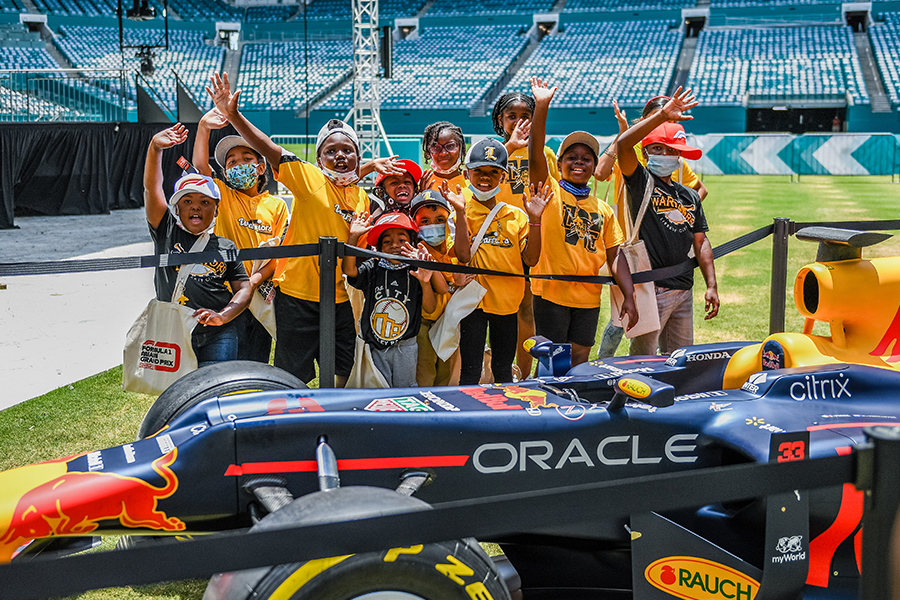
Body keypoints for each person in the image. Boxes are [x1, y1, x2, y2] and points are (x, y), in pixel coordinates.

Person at [207, 72, 368, 386]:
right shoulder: (308, 178)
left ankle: (329, 415)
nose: (340, 155)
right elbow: (267, 147)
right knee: (292, 374)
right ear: (318, 157)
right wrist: (234, 115)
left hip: (337, 297)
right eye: (330, 150)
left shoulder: (361, 196)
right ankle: (295, 420)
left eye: (347, 150)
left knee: (344, 366)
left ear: (357, 157)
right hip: (297, 296)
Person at [528, 77, 638, 366]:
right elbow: (535, 153)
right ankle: (549, 406)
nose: (579, 162)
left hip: (588, 298)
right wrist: (542, 106)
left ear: (594, 166)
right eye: (572, 157)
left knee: (580, 358)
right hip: (551, 294)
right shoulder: (549, 192)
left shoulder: (602, 209)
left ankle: (574, 408)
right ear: (560, 163)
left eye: (587, 158)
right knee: (552, 360)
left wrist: (630, 294)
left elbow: (615, 255)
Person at [596, 96, 708, 358]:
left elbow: (698, 190)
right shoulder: (635, 150)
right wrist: (622, 135)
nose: (664, 124)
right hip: (627, 242)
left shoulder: (668, 153)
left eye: (669, 119)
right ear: (644, 120)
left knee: (644, 315)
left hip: (656, 247)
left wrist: (676, 215)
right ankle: (604, 361)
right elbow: (601, 173)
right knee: (622, 316)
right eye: (659, 118)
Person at [143, 123, 253, 367]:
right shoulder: (165, 231)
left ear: (216, 208)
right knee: (174, 393)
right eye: (187, 200)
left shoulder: (225, 245)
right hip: (173, 330)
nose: (195, 206)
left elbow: (243, 288)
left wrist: (223, 317)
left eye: (205, 201)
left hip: (219, 333)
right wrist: (154, 149)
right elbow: (152, 190)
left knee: (215, 391)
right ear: (176, 207)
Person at [193, 107, 290, 364]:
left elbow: (277, 254)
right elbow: (201, 168)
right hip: (225, 293)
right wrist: (203, 128)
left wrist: (254, 281)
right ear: (225, 173)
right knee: (225, 361)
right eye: (231, 162)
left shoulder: (277, 205)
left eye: (246, 158)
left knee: (255, 362)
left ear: (260, 168)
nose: (239, 165)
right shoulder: (223, 195)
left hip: (260, 296)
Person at [459, 138, 551, 385]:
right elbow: (462, 256)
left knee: (503, 369)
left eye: (493, 172)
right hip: (473, 303)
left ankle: (503, 419)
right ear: (468, 173)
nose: (485, 178)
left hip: (507, 304)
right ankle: (466, 421)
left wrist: (535, 220)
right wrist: (458, 213)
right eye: (478, 171)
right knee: (469, 370)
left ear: (503, 176)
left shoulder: (516, 215)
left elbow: (531, 259)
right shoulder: (461, 208)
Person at [491, 91, 560, 379]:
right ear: (499, 120)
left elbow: (552, 194)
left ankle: (523, 370)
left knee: (526, 309)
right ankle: (493, 366)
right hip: (496, 239)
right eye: (511, 117)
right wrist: (509, 146)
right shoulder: (493, 149)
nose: (519, 122)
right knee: (491, 307)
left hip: (530, 237)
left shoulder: (544, 153)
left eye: (526, 116)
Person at [343, 212, 442, 387]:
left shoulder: (416, 270)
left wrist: (425, 282)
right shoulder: (373, 267)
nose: (394, 245)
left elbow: (430, 307)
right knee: (378, 389)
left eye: (402, 240)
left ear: (412, 244)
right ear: (379, 248)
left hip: (406, 346)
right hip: (375, 347)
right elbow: (350, 271)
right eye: (387, 242)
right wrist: (353, 237)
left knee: (405, 392)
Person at [409, 187, 471, 386]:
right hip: (425, 324)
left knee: (445, 373)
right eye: (424, 222)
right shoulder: (418, 252)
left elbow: (463, 259)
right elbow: (443, 288)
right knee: (425, 372)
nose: (432, 226)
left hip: (449, 322)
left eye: (439, 220)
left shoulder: (453, 245)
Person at [419, 121, 467, 193]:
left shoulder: (474, 184)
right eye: (436, 147)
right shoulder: (422, 185)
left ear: (462, 150)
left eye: (450, 146)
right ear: (428, 152)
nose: (443, 153)